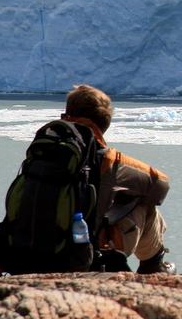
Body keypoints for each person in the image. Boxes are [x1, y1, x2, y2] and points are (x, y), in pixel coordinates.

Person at [60, 84, 175, 274]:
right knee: (143, 205)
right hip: (85, 255)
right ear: (104, 123)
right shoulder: (109, 161)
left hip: (29, 249)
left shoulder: (42, 149)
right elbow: (161, 185)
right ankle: (153, 267)